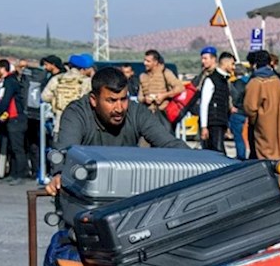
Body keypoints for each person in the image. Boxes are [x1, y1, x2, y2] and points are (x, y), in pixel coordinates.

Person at [46, 67, 189, 196]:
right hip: (86, 191)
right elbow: (66, 150)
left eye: (123, 99)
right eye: (111, 100)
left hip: (126, 191)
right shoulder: (76, 113)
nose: (119, 108)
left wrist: (199, 162)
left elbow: (169, 143)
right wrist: (59, 174)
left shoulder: (137, 112)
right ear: (93, 100)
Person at [244, 50, 280, 198]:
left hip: (264, 126)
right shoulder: (279, 79)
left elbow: (250, 107)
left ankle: (270, 190)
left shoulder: (256, 82)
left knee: (266, 158)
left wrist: (254, 121)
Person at [0, 59, 28, 186]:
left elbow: (5, 101)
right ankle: (13, 173)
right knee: (11, 148)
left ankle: (20, 174)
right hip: (10, 119)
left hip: (16, 118)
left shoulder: (10, 82)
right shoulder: (7, 81)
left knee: (18, 148)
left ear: (3, 69)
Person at [41, 54, 93, 137]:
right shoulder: (86, 82)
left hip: (59, 124)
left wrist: (56, 99)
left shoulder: (57, 79)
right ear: (83, 69)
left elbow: (45, 97)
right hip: (80, 125)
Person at [138, 49, 184, 130]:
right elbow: (139, 97)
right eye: (144, 60)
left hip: (163, 114)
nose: (145, 63)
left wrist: (164, 95)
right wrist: (145, 99)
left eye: (148, 61)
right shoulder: (143, 76)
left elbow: (180, 88)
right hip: (147, 115)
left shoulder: (165, 73)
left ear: (155, 62)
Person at [199, 51, 235, 154]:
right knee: (217, 152)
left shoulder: (224, 80)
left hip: (221, 122)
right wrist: (204, 127)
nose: (233, 67)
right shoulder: (211, 80)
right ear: (225, 63)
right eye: (232, 64)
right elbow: (204, 104)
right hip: (213, 123)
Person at [228, 63, 249, 160]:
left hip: (237, 113)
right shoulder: (251, 82)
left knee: (239, 137)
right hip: (249, 112)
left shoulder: (233, 84)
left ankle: (241, 156)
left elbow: (231, 97)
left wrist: (231, 107)